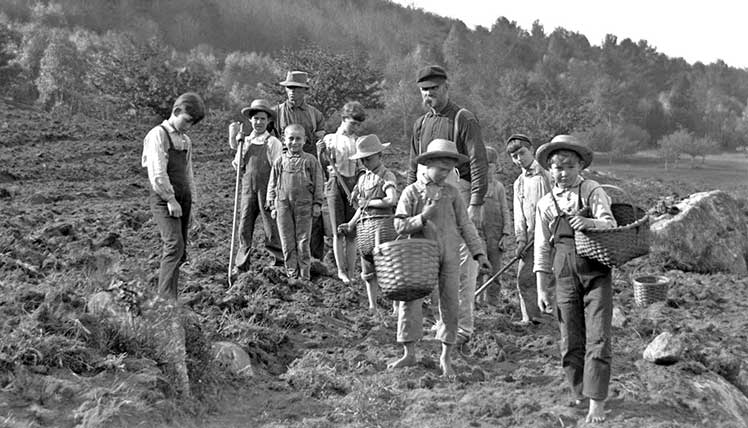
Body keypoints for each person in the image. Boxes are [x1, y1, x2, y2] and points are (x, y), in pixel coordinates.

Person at [533, 135, 616, 424]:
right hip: (563, 274)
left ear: (580, 165)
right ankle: (578, 389)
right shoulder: (545, 203)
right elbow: (542, 247)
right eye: (556, 167)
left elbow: (610, 224)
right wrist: (542, 288)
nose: (562, 172)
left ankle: (597, 401)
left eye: (568, 166)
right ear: (549, 170)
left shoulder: (591, 190)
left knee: (599, 337)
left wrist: (590, 222)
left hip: (596, 271)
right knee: (570, 337)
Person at [391, 139, 490, 377]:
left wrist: (479, 253)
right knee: (410, 303)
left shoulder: (452, 193)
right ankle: (409, 353)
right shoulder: (411, 192)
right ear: (427, 165)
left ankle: (446, 357)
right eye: (441, 169)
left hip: (449, 254)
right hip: (418, 255)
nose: (445, 174)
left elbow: (465, 224)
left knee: (450, 304)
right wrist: (422, 218)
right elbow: (398, 225)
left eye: (449, 170)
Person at [408, 65, 488, 345]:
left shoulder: (462, 118)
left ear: (446, 88)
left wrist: (476, 203)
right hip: (428, 197)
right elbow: (413, 164)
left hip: (459, 194)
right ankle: (443, 322)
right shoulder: (420, 124)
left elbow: (478, 161)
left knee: (462, 266)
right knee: (434, 263)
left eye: (434, 89)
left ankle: (463, 327)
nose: (429, 95)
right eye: (424, 90)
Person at [141, 92, 206, 300]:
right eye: (187, 120)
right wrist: (170, 199)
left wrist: (191, 202)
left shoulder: (185, 140)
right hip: (165, 198)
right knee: (173, 244)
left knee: (181, 250)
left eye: (192, 123)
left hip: (183, 197)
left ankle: (172, 297)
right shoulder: (158, 135)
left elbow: (188, 173)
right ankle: (165, 299)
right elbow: (157, 173)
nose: (188, 126)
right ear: (176, 111)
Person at [338, 134, 398, 321]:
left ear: (380, 155)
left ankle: (396, 306)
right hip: (366, 229)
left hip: (384, 227)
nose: (365, 162)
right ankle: (372, 305)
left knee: (390, 269)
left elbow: (391, 199)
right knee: (368, 270)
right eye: (362, 159)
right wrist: (351, 223)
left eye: (369, 158)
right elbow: (361, 208)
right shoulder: (362, 179)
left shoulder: (387, 175)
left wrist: (372, 202)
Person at [273, 70, 327, 263]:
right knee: (282, 218)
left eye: (296, 88)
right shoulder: (276, 112)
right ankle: (283, 260)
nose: (292, 92)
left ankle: (314, 260)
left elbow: (321, 144)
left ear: (305, 91)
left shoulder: (315, 115)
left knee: (314, 217)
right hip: (284, 172)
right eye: (289, 88)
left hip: (309, 173)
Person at [227, 99, 284, 274]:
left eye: (262, 119)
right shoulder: (246, 141)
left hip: (267, 189)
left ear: (268, 121)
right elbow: (237, 164)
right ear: (250, 121)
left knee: (271, 225)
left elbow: (279, 168)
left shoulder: (273, 142)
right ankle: (241, 264)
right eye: (255, 119)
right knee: (244, 224)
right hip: (247, 189)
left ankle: (278, 261)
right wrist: (238, 143)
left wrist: (274, 193)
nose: (258, 122)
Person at [267, 124, 324, 281]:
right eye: (290, 139)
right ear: (284, 140)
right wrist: (272, 205)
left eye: (298, 139)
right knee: (287, 240)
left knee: (303, 240)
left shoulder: (310, 161)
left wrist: (317, 203)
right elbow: (272, 184)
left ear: (304, 140)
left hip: (305, 205)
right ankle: (291, 273)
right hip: (283, 204)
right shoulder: (279, 162)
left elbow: (319, 183)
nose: (294, 142)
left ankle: (304, 275)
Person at [317, 101, 367, 284]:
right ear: (344, 119)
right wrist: (321, 154)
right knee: (339, 230)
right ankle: (341, 271)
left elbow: (362, 167)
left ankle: (352, 272)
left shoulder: (358, 142)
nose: (356, 127)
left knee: (352, 231)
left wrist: (359, 185)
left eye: (358, 124)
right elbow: (322, 166)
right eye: (353, 123)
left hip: (353, 186)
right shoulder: (330, 140)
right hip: (334, 184)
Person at [506, 133, 552, 324]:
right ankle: (532, 318)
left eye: (522, 153)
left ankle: (557, 317)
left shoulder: (547, 174)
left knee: (554, 277)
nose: (519, 159)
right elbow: (519, 215)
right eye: (514, 156)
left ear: (531, 150)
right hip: (531, 237)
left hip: (552, 234)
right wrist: (521, 239)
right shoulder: (519, 183)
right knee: (524, 278)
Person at [475, 146, 511, 308]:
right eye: (483, 166)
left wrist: (506, 234)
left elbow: (505, 210)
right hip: (478, 234)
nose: (487, 170)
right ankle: (475, 301)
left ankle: (492, 302)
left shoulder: (499, 188)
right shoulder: (474, 188)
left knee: (495, 270)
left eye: (490, 166)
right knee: (476, 268)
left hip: (495, 235)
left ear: (495, 167)